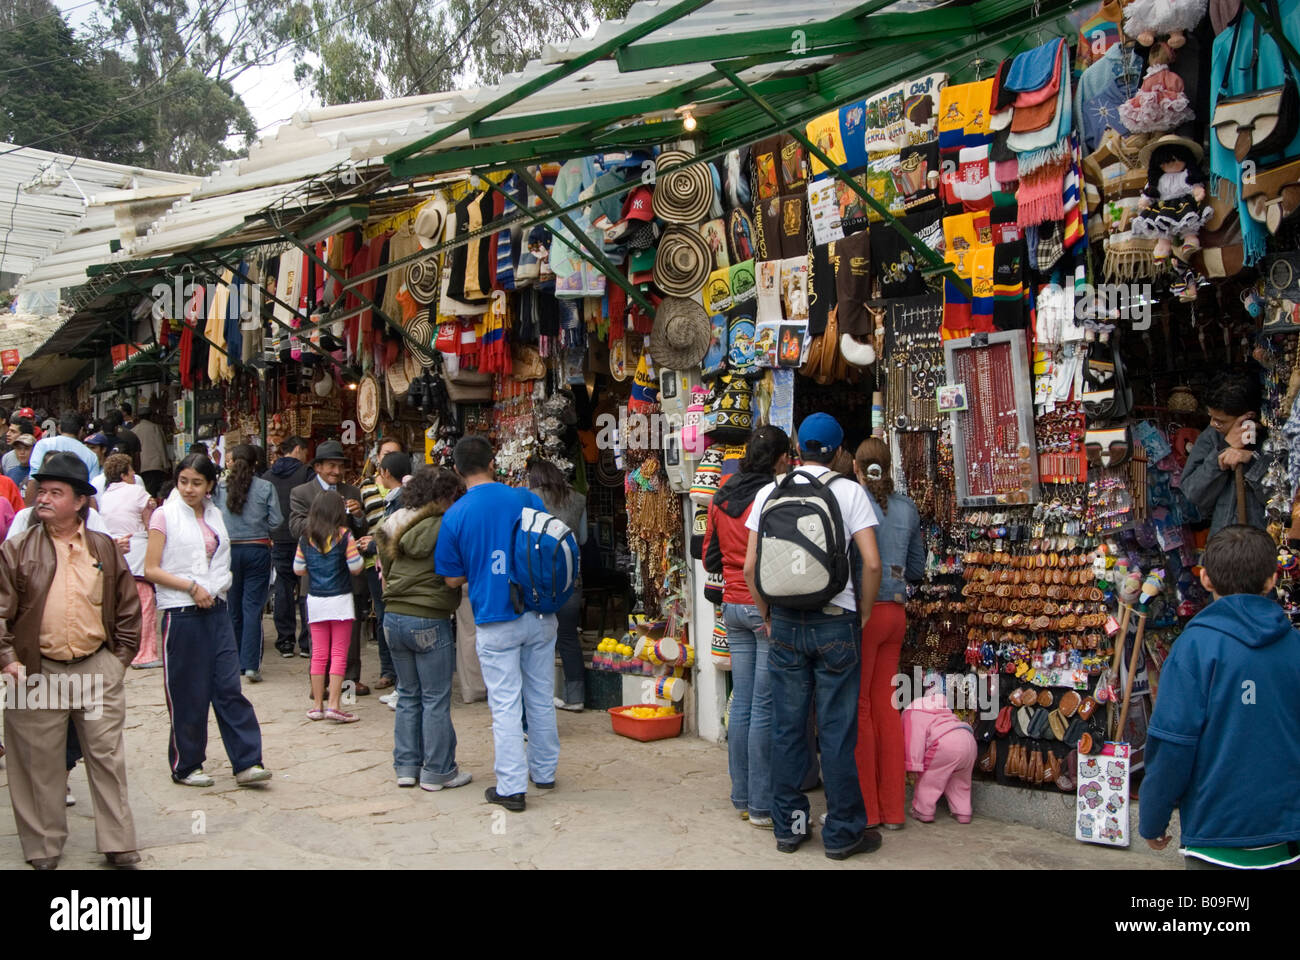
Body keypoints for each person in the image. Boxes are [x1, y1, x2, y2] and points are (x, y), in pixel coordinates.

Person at [742, 412, 883, 860]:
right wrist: (859, 614)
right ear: (840, 451)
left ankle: (790, 828)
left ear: (798, 447)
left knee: (788, 730)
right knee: (838, 732)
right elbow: (873, 564)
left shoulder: (769, 492)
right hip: (835, 622)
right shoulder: (849, 492)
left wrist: (768, 616)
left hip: (783, 622)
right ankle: (842, 835)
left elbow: (749, 568)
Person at [0, 452, 142, 869]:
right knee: (35, 763)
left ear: (80, 501)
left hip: (95, 666)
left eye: (54, 492)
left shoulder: (102, 546)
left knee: (107, 757)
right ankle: (43, 847)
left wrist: (117, 663)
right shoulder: (17, 548)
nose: (43, 498)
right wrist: (8, 658)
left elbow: (128, 607)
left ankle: (118, 842)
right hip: (35, 670)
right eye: (40, 491)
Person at [1140, 525, 1300, 869]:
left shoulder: (1194, 648)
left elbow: (1173, 742)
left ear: (1206, 579)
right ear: (1272, 579)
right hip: (1285, 834)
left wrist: (1154, 817)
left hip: (1215, 835)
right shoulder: (1293, 648)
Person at [435, 435, 558, 813]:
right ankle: (545, 771)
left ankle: (511, 786)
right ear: (492, 463)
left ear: (457, 471)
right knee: (539, 695)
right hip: (539, 613)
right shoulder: (525, 498)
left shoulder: (455, 514)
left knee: (505, 703)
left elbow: (452, 580)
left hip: (494, 616)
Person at [143, 453, 271, 788]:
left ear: (210, 485)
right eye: (184, 481)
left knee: (229, 687)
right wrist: (190, 587)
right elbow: (151, 568)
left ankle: (247, 761)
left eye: (197, 483)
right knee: (188, 691)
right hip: (181, 613)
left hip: (216, 609)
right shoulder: (163, 516)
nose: (189, 489)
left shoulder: (215, 514)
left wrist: (212, 588)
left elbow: (221, 561)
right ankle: (187, 764)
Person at [703, 425, 789, 828]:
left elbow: (710, 558)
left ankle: (741, 795)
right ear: (777, 459)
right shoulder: (772, 495)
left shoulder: (721, 495)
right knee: (763, 707)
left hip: (733, 607)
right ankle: (760, 805)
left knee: (742, 703)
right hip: (763, 606)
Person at [375, 466, 473, 789]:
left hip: (393, 618)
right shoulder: (448, 524)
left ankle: (406, 767)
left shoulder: (392, 522)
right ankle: (438, 770)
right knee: (435, 698)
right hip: (429, 617)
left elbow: (385, 573)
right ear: (446, 496)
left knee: (408, 695)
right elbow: (452, 573)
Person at [851, 437, 925, 831]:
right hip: (896, 613)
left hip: (864, 615)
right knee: (886, 708)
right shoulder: (907, 508)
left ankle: (869, 810)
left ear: (857, 469)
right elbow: (916, 568)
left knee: (861, 709)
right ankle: (895, 811)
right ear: (889, 467)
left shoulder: (851, 503)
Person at [289, 440, 369, 694]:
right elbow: (294, 528)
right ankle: (320, 684)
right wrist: (327, 520)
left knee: (351, 631)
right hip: (316, 578)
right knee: (318, 634)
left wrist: (357, 516)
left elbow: (362, 530)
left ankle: (350, 680)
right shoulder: (302, 493)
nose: (336, 471)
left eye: (340, 466)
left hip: (347, 575)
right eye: (331, 466)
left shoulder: (353, 492)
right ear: (318, 467)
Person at [214, 444, 282, 683]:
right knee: (252, 608)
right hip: (258, 549)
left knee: (233, 607)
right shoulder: (266, 487)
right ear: (256, 464)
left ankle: (234, 663)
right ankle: (251, 665)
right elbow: (277, 521)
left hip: (229, 551)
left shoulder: (220, 488)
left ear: (232, 461)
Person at [526, 458, 588, 712]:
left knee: (536, 642)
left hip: (536, 581)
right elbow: (582, 538)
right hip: (570, 580)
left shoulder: (528, 498)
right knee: (568, 638)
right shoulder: (578, 498)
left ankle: (539, 698)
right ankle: (576, 697)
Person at [295, 491, 363, 723]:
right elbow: (355, 567)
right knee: (338, 654)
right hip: (341, 600)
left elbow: (297, 568)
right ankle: (335, 705)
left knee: (319, 654)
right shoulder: (345, 535)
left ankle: (317, 706)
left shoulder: (306, 537)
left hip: (315, 600)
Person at [1180, 371, 1271, 536]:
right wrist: (1223, 450)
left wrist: (1252, 461)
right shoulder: (1211, 435)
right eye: (1211, 417)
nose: (1213, 424)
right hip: (1223, 545)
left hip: (1265, 546)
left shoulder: (1274, 437)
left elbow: (1282, 498)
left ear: (1248, 418)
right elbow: (1192, 493)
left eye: (1220, 421)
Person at [97, 454, 161, 669]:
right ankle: (144, 654)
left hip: (114, 555)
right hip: (138, 553)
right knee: (144, 605)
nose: (134, 474)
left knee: (120, 606)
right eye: (131, 471)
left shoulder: (105, 496)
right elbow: (149, 523)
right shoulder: (137, 492)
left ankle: (121, 651)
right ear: (124, 474)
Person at [358, 438, 405, 694]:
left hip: (396, 557)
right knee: (383, 614)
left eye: (393, 455)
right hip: (374, 561)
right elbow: (362, 523)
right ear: (377, 458)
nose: (387, 459)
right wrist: (356, 517)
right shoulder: (365, 487)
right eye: (384, 453)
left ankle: (402, 675)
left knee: (397, 614)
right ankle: (388, 670)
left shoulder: (408, 491)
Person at [264, 436, 312, 658]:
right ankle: (306, 643)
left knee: (282, 588)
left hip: (278, 537)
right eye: (304, 451)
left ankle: (285, 641)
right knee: (305, 587)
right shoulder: (306, 474)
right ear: (297, 450)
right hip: (303, 536)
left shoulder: (267, 477)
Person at [902, 691, 977, 824]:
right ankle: (963, 811)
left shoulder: (913, 712)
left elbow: (914, 741)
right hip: (968, 739)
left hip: (944, 743)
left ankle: (923, 810)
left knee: (929, 778)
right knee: (960, 780)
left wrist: (913, 766)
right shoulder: (944, 711)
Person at [27, 412, 100, 507]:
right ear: (81, 430)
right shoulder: (91, 456)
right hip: (74, 508)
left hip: (45, 504)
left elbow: (33, 479)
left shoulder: (43, 444)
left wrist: (28, 510)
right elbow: (91, 492)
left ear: (59, 428)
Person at [133, 405, 174, 498]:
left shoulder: (134, 430)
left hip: (141, 466)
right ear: (150, 416)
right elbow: (161, 446)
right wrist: (166, 464)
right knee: (153, 492)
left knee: (145, 490)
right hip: (155, 465)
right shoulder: (155, 427)